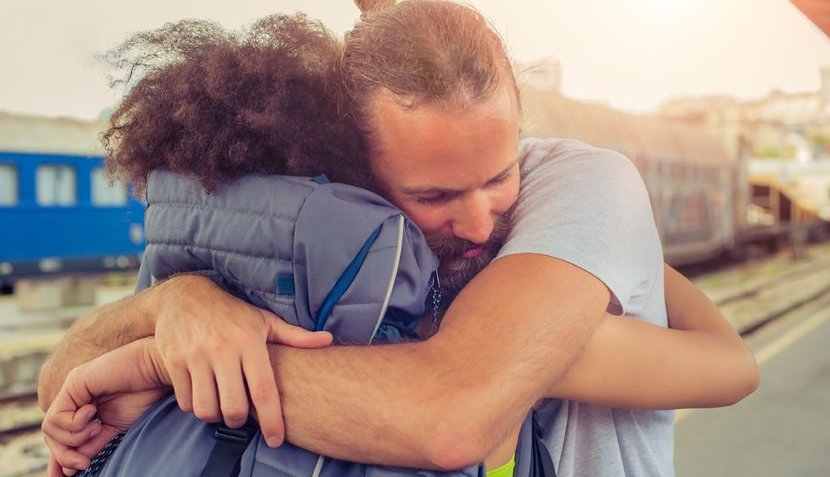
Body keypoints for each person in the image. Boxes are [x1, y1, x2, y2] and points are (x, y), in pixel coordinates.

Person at [39, 1, 760, 476]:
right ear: (360, 164)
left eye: (502, 176)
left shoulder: (579, 183)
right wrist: (174, 306)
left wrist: (173, 373)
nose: (479, 222)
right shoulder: (337, 245)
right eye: (432, 196)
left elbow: (449, 410)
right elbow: (64, 391)